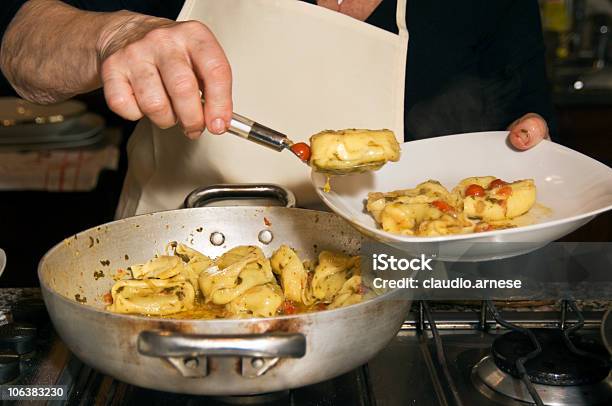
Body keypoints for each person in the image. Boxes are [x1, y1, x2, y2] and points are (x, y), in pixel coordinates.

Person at [0, 0, 554, 216]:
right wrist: (115, 33)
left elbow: (521, 112)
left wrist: (521, 143)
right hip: (167, 273)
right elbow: (19, 41)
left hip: (406, 291)